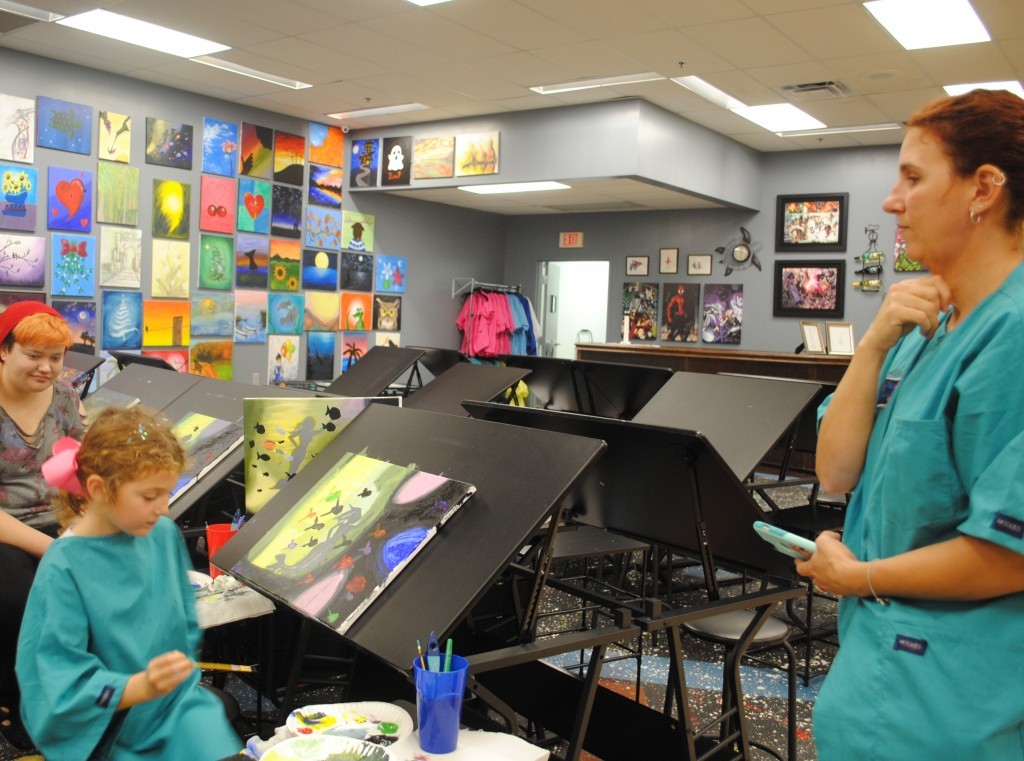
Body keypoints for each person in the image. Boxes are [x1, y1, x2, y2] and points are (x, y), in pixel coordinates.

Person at [797, 89, 1024, 760]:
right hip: (879, 669)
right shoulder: (925, 326)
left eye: (914, 178)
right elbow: (836, 471)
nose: (892, 201)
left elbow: (1009, 551)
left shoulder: (1014, 334)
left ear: (983, 189)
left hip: (951, 702)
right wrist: (872, 345)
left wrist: (859, 576)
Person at [16, 406, 241, 759]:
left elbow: (181, 620)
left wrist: (172, 671)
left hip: (172, 707)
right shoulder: (65, 565)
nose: (164, 509)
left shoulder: (162, 534)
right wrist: (138, 686)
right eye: (150, 496)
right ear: (99, 489)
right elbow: (55, 674)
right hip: (109, 723)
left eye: (167, 493)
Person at [0, 301, 84, 748]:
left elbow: (81, 470)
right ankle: (18, 704)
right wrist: (55, 549)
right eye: (33, 355)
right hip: (7, 528)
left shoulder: (65, 397)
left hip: (59, 520)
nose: (46, 368)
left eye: (55, 357)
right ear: (3, 350)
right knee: (20, 598)